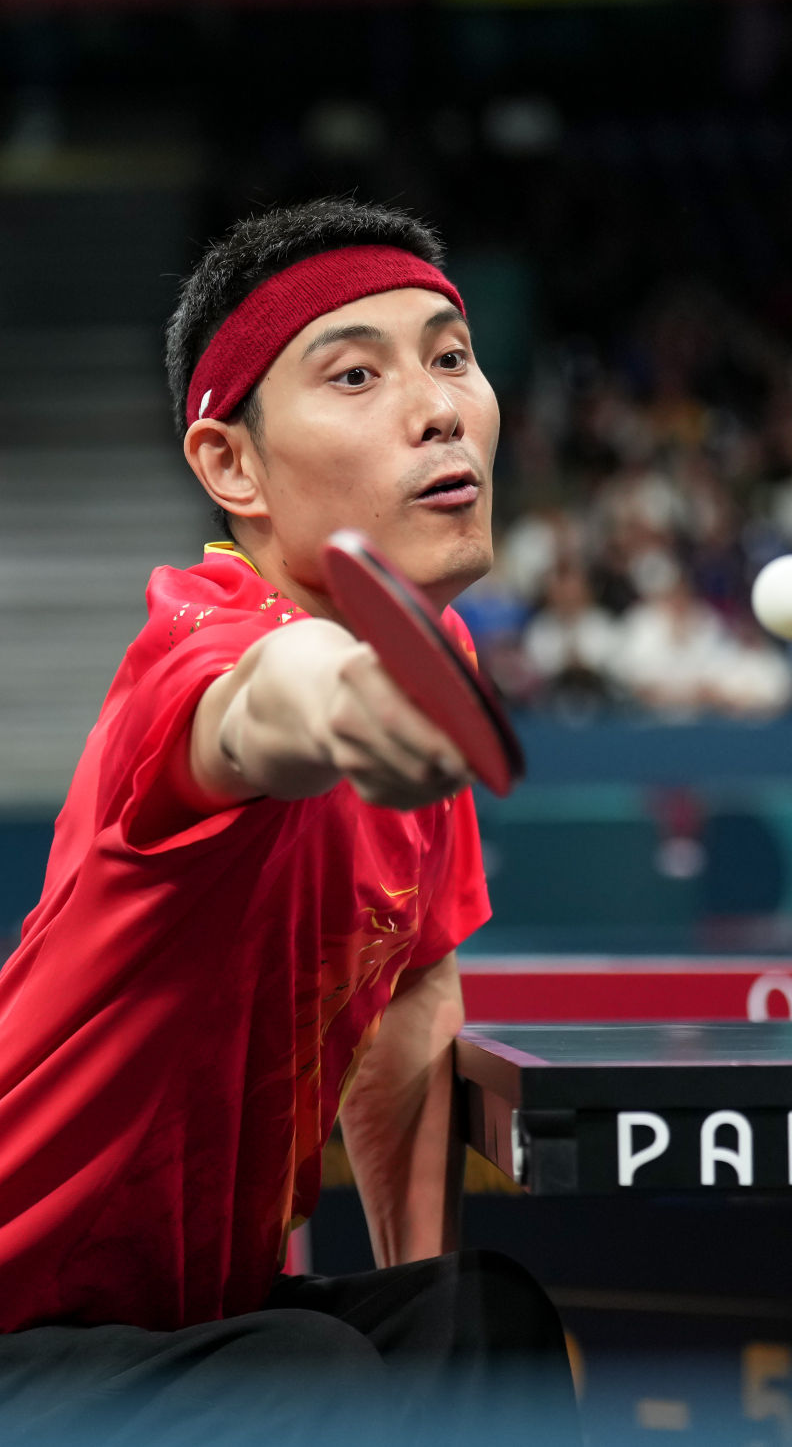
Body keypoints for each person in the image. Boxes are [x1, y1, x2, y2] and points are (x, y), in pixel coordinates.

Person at [0, 197, 579, 1445]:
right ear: (232, 467)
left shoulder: (434, 654)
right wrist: (351, 695)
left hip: (173, 1330)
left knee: (481, 1321)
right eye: (355, 375)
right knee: (302, 1373)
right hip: (20, 1326)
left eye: (450, 358)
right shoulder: (195, 653)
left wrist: (423, 1293)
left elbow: (412, 990)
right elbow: (264, 704)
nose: (437, 408)